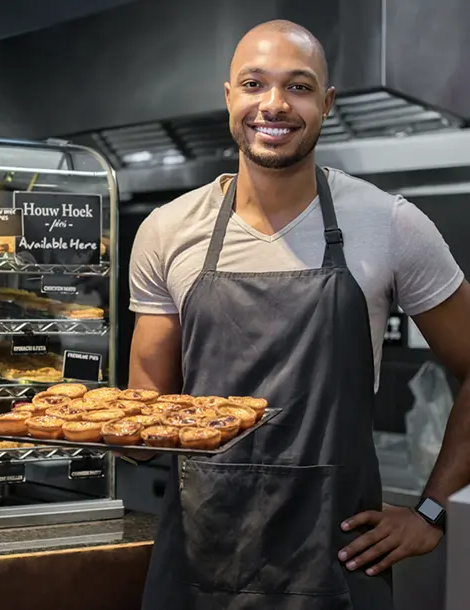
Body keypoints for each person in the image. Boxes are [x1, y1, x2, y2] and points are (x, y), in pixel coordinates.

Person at [128, 19, 470, 610]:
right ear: (229, 96)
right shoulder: (168, 231)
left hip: (337, 563)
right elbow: (145, 416)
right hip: (197, 563)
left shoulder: (391, 225)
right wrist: (74, 424)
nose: (275, 105)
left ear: (328, 104)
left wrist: (432, 511)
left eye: (300, 86)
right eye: (255, 84)